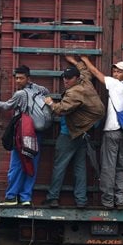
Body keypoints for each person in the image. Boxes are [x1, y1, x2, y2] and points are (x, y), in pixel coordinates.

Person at [44, 58, 105, 208]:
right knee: (79, 168)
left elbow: (60, 110)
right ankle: (81, 200)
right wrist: (75, 60)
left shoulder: (75, 93)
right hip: (83, 133)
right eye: (64, 78)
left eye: (69, 78)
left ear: (76, 79)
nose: (66, 81)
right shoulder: (85, 82)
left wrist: (50, 102)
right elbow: (85, 71)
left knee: (60, 165)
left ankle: (53, 198)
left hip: (69, 134)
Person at [0, 65, 49, 206]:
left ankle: (11, 197)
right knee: (32, 164)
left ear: (27, 78)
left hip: (23, 134)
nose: (18, 81)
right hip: (37, 134)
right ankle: (26, 198)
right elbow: (47, 92)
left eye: (21, 78)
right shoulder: (39, 89)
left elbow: (6, 106)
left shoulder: (20, 94)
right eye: (16, 78)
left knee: (16, 164)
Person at [79, 54, 123, 209]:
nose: (115, 74)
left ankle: (108, 201)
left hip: (112, 132)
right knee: (120, 167)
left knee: (108, 167)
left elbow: (97, 74)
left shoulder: (117, 85)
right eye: (115, 71)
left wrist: (85, 60)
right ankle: (121, 200)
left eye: (119, 71)